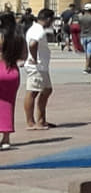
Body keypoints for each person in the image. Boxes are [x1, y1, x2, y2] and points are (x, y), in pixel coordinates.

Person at [22, 8, 55, 130]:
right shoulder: (38, 30)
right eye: (52, 20)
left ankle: (41, 119)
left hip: (42, 66)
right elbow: (32, 44)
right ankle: (31, 122)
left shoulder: (36, 29)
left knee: (47, 90)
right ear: (48, 19)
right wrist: (34, 58)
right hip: (37, 66)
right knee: (32, 92)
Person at [0, 12, 24, 149]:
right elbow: (23, 55)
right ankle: (6, 138)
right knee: (9, 104)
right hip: (12, 71)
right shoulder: (18, 38)